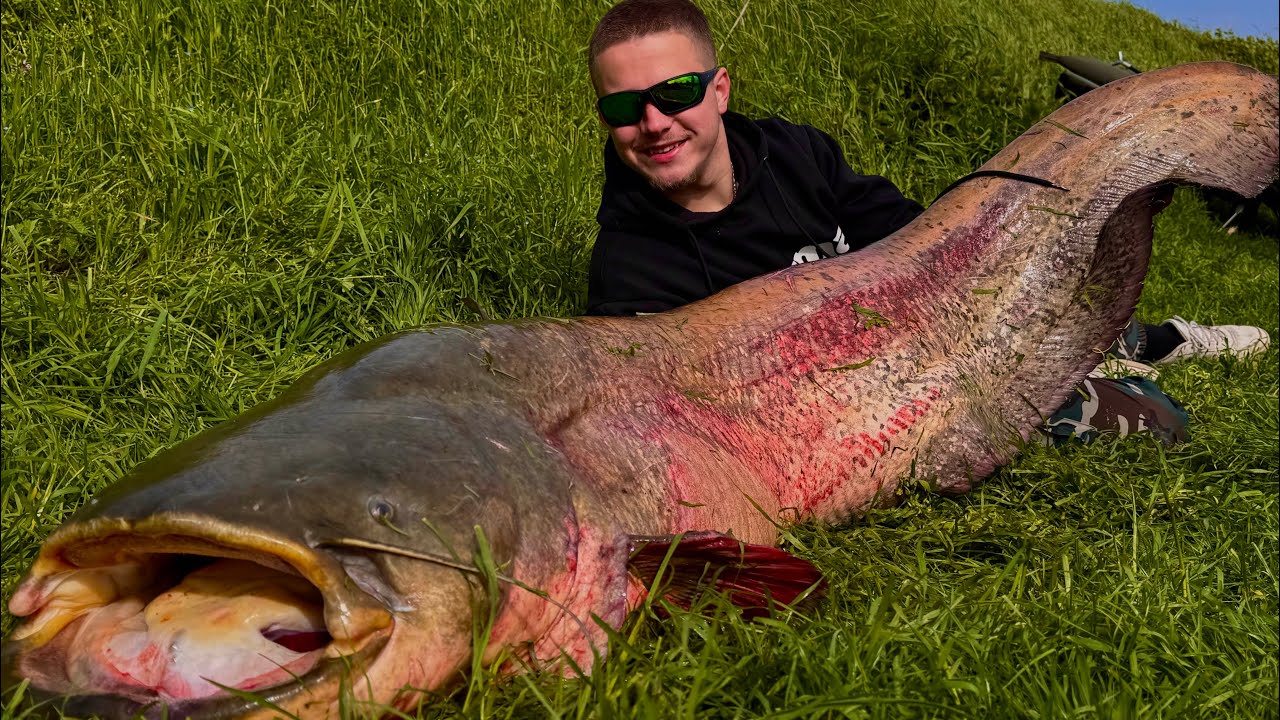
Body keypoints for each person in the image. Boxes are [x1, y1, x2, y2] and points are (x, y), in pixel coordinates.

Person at [583, 0, 1270, 444]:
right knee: (1159, 422)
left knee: (1050, 301)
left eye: (676, 92)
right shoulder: (630, 277)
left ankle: (1160, 337)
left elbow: (918, 231)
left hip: (937, 316)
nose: (654, 123)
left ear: (719, 88)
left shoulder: (796, 152)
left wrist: (970, 297)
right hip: (888, 391)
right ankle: (1132, 363)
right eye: (624, 109)